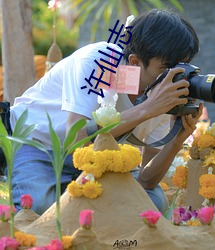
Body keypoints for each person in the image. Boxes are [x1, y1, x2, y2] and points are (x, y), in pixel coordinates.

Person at [6, 9, 202, 215]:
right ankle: (65, 197)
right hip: (37, 144)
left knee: (152, 202)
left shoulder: (164, 90)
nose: (175, 76)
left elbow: (147, 180)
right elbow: (76, 140)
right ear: (135, 62)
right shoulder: (98, 61)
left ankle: (71, 199)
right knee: (39, 208)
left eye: (182, 66)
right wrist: (147, 108)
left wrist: (176, 140)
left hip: (96, 157)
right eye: (167, 68)